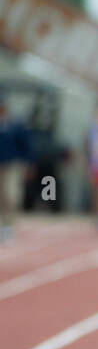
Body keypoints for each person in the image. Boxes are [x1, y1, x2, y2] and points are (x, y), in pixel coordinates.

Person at [0, 94, 34, 242]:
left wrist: (28, 164)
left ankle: (8, 225)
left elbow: (26, 146)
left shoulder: (16, 125)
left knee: (11, 195)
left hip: (12, 165)